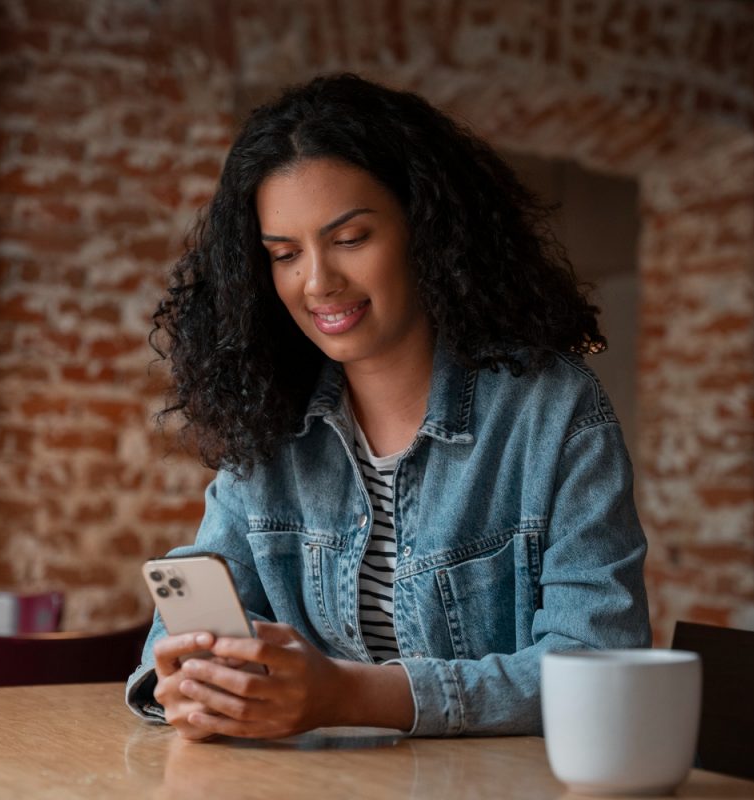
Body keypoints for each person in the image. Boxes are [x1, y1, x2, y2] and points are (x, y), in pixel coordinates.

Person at [125, 73, 650, 739]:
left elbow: (599, 666)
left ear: (427, 230)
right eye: (284, 254)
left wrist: (347, 695)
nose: (317, 282)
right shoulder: (272, 422)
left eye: (350, 239)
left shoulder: (552, 411)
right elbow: (190, 626)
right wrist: (192, 682)